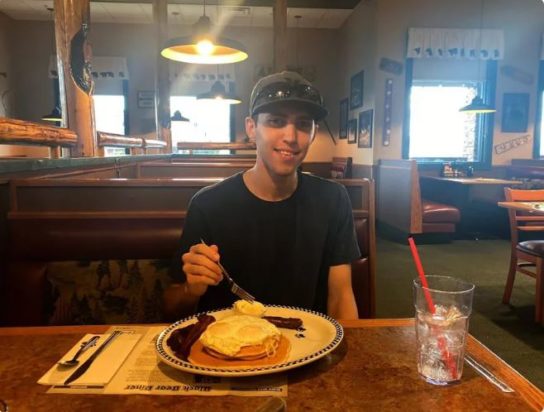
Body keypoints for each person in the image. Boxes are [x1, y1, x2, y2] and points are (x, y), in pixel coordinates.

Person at [164, 71, 361, 320]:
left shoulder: (332, 199)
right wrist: (190, 290)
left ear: (313, 132)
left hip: (309, 339)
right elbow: (171, 307)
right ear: (251, 127)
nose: (290, 137)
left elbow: (341, 297)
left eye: (303, 124)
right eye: (276, 121)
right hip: (228, 340)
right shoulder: (208, 205)